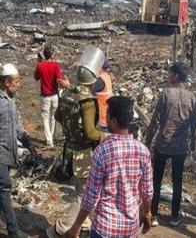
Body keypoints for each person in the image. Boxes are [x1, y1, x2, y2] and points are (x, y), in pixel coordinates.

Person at [68, 96, 153, 238]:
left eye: (107, 114)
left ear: (113, 121)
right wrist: (147, 214)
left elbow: (91, 195)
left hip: (105, 228)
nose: (104, 116)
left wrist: (77, 225)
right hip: (129, 229)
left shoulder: (102, 152)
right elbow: (147, 191)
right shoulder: (143, 151)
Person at [47, 46, 108, 238]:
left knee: (80, 189)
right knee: (84, 195)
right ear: (94, 77)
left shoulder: (68, 94)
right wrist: (105, 137)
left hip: (69, 150)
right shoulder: (88, 101)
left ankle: (85, 222)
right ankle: (59, 227)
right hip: (83, 153)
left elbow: (57, 115)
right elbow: (91, 132)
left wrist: (70, 127)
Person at [145, 62, 196, 227]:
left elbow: (155, 120)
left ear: (176, 75)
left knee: (157, 179)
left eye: (170, 74)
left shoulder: (166, 94)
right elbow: (194, 122)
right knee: (177, 182)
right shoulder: (192, 97)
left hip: (163, 144)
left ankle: (153, 215)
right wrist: (193, 141)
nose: (169, 77)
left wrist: (148, 140)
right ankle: (175, 217)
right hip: (180, 146)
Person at [0, 63, 38, 238]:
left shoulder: (11, 101)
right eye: (16, 81)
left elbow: (18, 128)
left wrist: (28, 143)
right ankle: (13, 231)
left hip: (8, 154)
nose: (19, 84)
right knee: (5, 189)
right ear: (7, 83)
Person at [34, 45, 63, 147]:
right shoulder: (56, 65)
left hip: (45, 96)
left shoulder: (40, 65)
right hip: (54, 95)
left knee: (45, 118)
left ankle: (49, 141)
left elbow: (36, 77)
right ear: (51, 54)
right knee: (53, 117)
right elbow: (59, 79)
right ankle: (52, 138)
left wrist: (39, 64)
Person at [92, 59, 113, 131]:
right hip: (108, 112)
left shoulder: (100, 80)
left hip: (103, 115)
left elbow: (91, 91)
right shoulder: (107, 76)